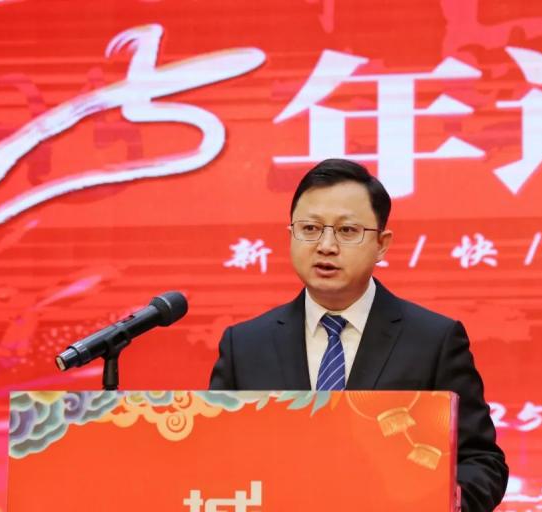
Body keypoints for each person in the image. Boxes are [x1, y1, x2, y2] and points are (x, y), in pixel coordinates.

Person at [210, 158, 508, 511]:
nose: (326, 245)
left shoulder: (433, 340)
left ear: (382, 244)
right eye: (310, 228)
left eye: (347, 231)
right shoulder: (245, 345)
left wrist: (440, 502)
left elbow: (481, 461)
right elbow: (215, 456)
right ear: (290, 234)